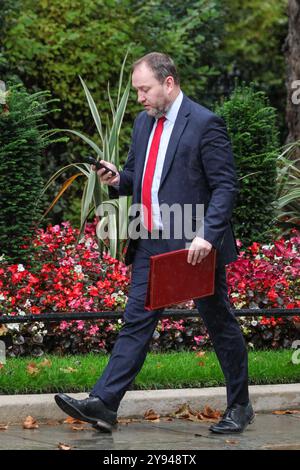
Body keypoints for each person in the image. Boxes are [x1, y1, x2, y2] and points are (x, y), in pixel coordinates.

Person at [55, 52, 254, 434]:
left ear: (169, 82)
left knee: (219, 323)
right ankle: (104, 404)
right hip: (151, 241)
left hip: (195, 246)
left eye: (145, 89)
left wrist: (207, 236)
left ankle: (240, 405)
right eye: (137, 91)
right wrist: (117, 179)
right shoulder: (143, 124)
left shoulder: (205, 123)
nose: (140, 97)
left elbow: (226, 185)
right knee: (136, 322)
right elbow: (136, 176)